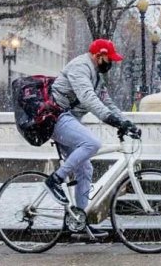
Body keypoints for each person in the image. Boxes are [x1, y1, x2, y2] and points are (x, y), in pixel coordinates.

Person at [44, 38, 140, 207]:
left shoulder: (96, 75)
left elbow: (107, 102)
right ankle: (55, 180)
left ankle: (79, 221)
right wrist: (110, 119)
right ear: (100, 55)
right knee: (92, 143)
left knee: (85, 169)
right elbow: (87, 97)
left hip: (68, 118)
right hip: (55, 116)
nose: (111, 63)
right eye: (109, 59)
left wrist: (126, 122)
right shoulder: (80, 67)